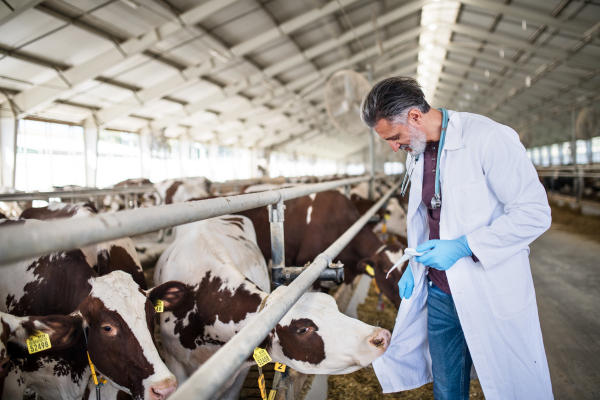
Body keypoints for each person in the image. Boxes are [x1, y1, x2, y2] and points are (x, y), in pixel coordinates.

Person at [360, 77, 553, 400]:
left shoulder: (488, 138)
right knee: (447, 388)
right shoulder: (416, 150)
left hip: (488, 287)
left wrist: (465, 246)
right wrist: (414, 265)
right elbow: (429, 216)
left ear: (415, 117)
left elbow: (534, 213)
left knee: (512, 386)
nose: (394, 146)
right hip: (439, 290)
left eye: (394, 137)